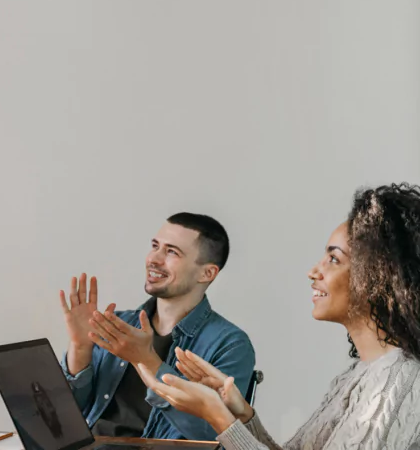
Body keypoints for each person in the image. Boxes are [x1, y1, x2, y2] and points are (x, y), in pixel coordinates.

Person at [138, 185, 420, 450]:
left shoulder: (398, 381)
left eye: (334, 259)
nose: (314, 271)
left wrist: (218, 417)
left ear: (380, 276)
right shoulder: (359, 375)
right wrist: (242, 414)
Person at [58, 212, 255, 440]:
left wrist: (148, 362)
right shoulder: (117, 324)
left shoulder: (229, 344)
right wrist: (80, 348)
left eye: (172, 252)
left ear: (207, 273)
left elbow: (216, 435)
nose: (154, 259)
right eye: (155, 246)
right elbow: (65, 419)